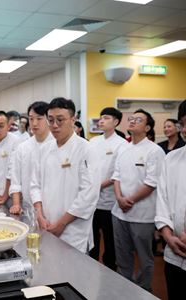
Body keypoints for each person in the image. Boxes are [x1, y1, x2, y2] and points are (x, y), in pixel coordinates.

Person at [30, 97, 100, 253]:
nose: (54, 125)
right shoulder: (44, 149)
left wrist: (62, 223)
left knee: (73, 273)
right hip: (46, 224)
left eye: (60, 120)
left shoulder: (86, 149)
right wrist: (39, 215)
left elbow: (88, 194)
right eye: (51, 120)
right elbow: (34, 184)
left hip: (73, 230)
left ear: (72, 120)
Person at [111, 109, 165, 291]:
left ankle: (143, 291)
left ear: (148, 127)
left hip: (142, 216)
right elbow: (116, 176)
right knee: (122, 257)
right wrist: (119, 198)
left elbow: (151, 182)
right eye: (131, 118)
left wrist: (129, 200)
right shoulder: (123, 148)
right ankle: (124, 290)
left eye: (139, 120)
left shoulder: (155, 151)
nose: (133, 121)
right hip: (119, 213)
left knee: (144, 258)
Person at [89, 107, 128, 270]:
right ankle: (90, 264)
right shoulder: (93, 142)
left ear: (116, 122)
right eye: (100, 117)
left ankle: (110, 268)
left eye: (106, 118)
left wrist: (98, 186)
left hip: (109, 201)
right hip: (91, 200)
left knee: (110, 239)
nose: (101, 121)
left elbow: (117, 173)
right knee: (92, 238)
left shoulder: (122, 144)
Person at [155, 100, 186, 300]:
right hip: (175, 254)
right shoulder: (172, 158)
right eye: (183, 124)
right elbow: (162, 200)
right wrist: (167, 235)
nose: (185, 129)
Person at [9, 102, 53, 215]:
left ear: (49, 119)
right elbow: (15, 179)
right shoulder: (23, 148)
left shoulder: (56, 144)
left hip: (52, 207)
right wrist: (16, 204)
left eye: (39, 119)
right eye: (31, 119)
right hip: (28, 207)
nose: (34, 123)